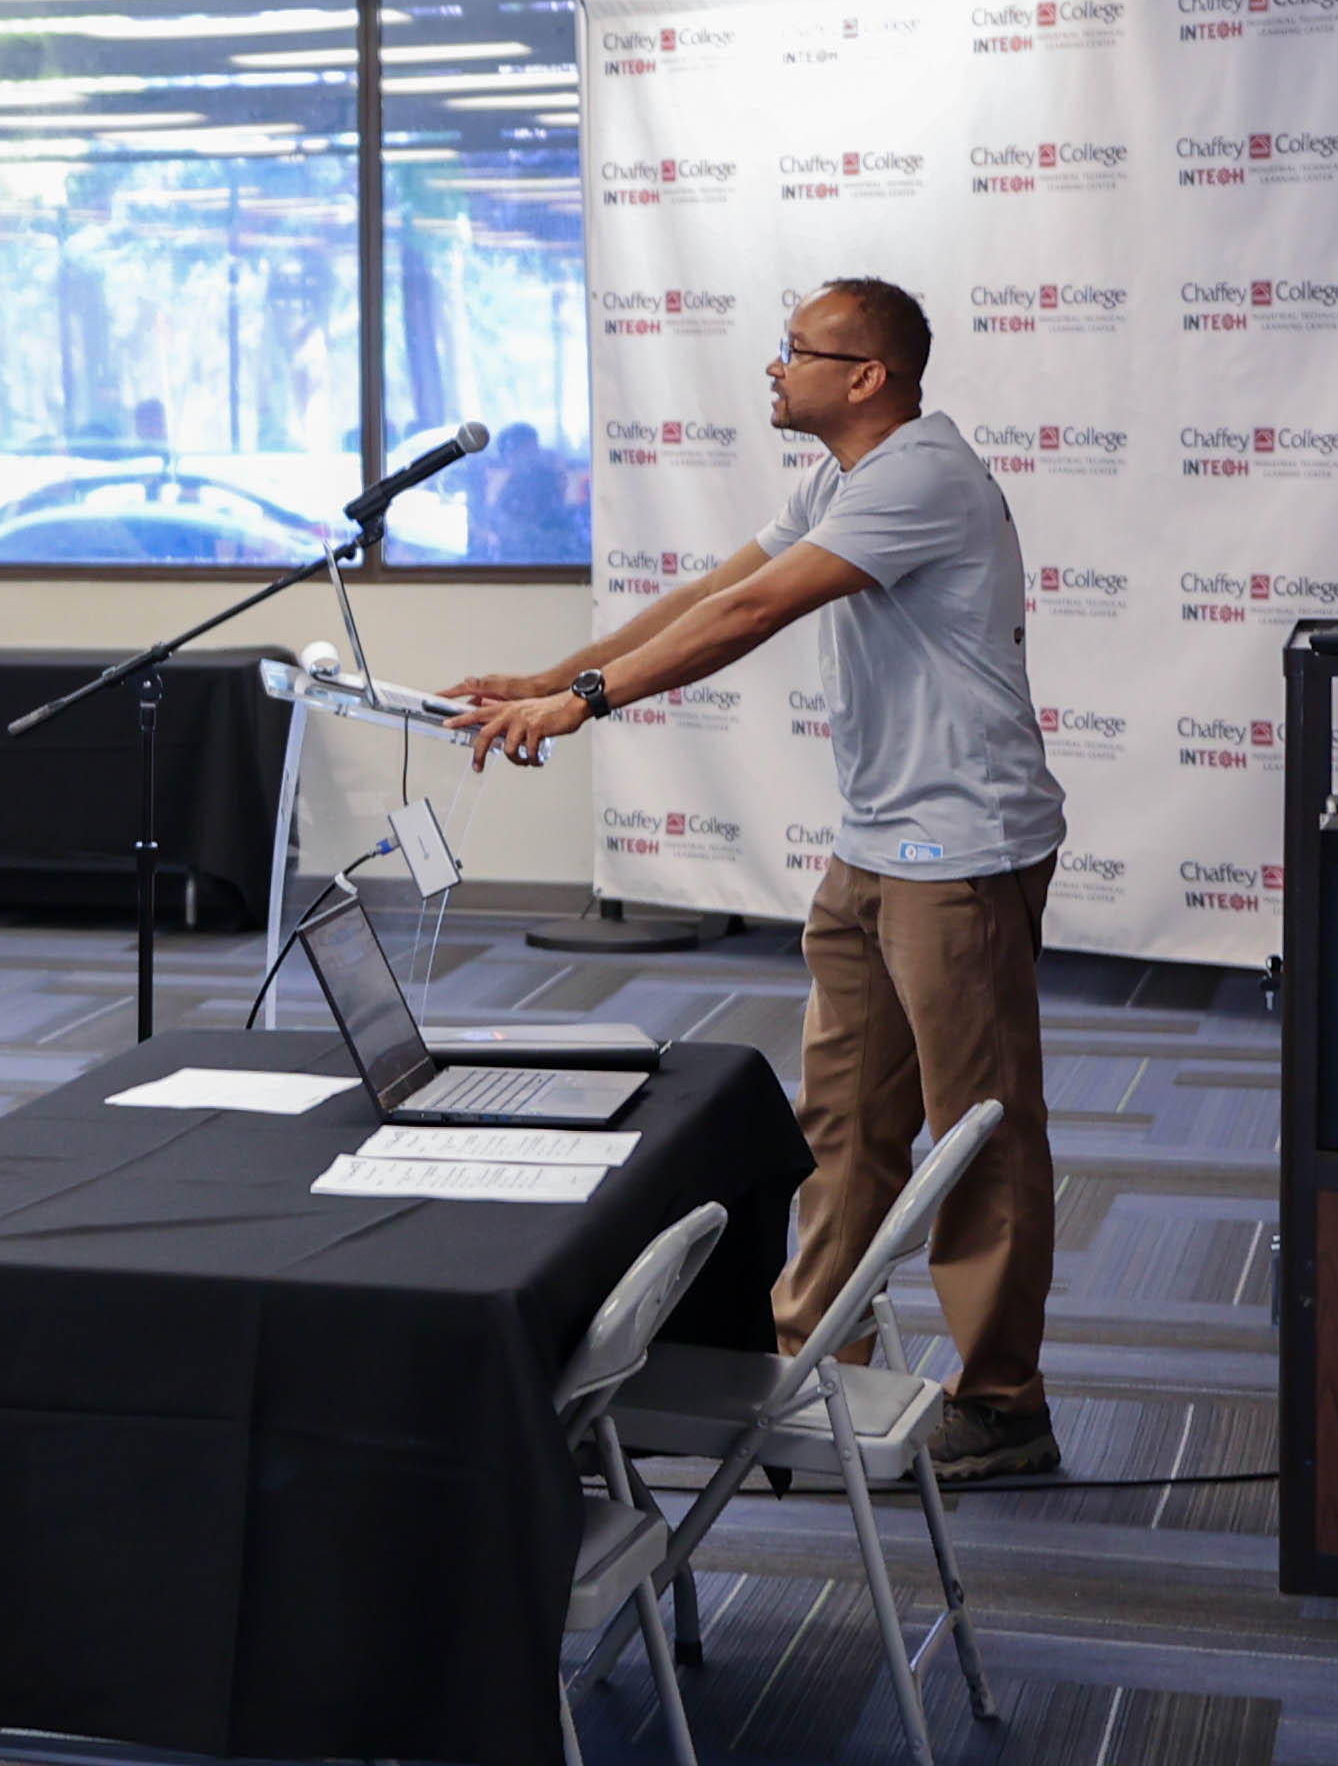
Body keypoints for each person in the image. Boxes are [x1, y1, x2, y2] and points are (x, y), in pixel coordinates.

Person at [452, 275, 1068, 1482]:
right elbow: (707, 595)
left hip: (964, 853)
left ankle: (1002, 1404)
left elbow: (755, 616)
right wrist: (549, 674)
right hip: (874, 848)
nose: (776, 369)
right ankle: (808, 1365)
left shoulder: (920, 476)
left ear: (867, 377)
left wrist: (578, 706)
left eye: (798, 351)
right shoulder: (842, 476)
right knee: (841, 1122)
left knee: (979, 1137)